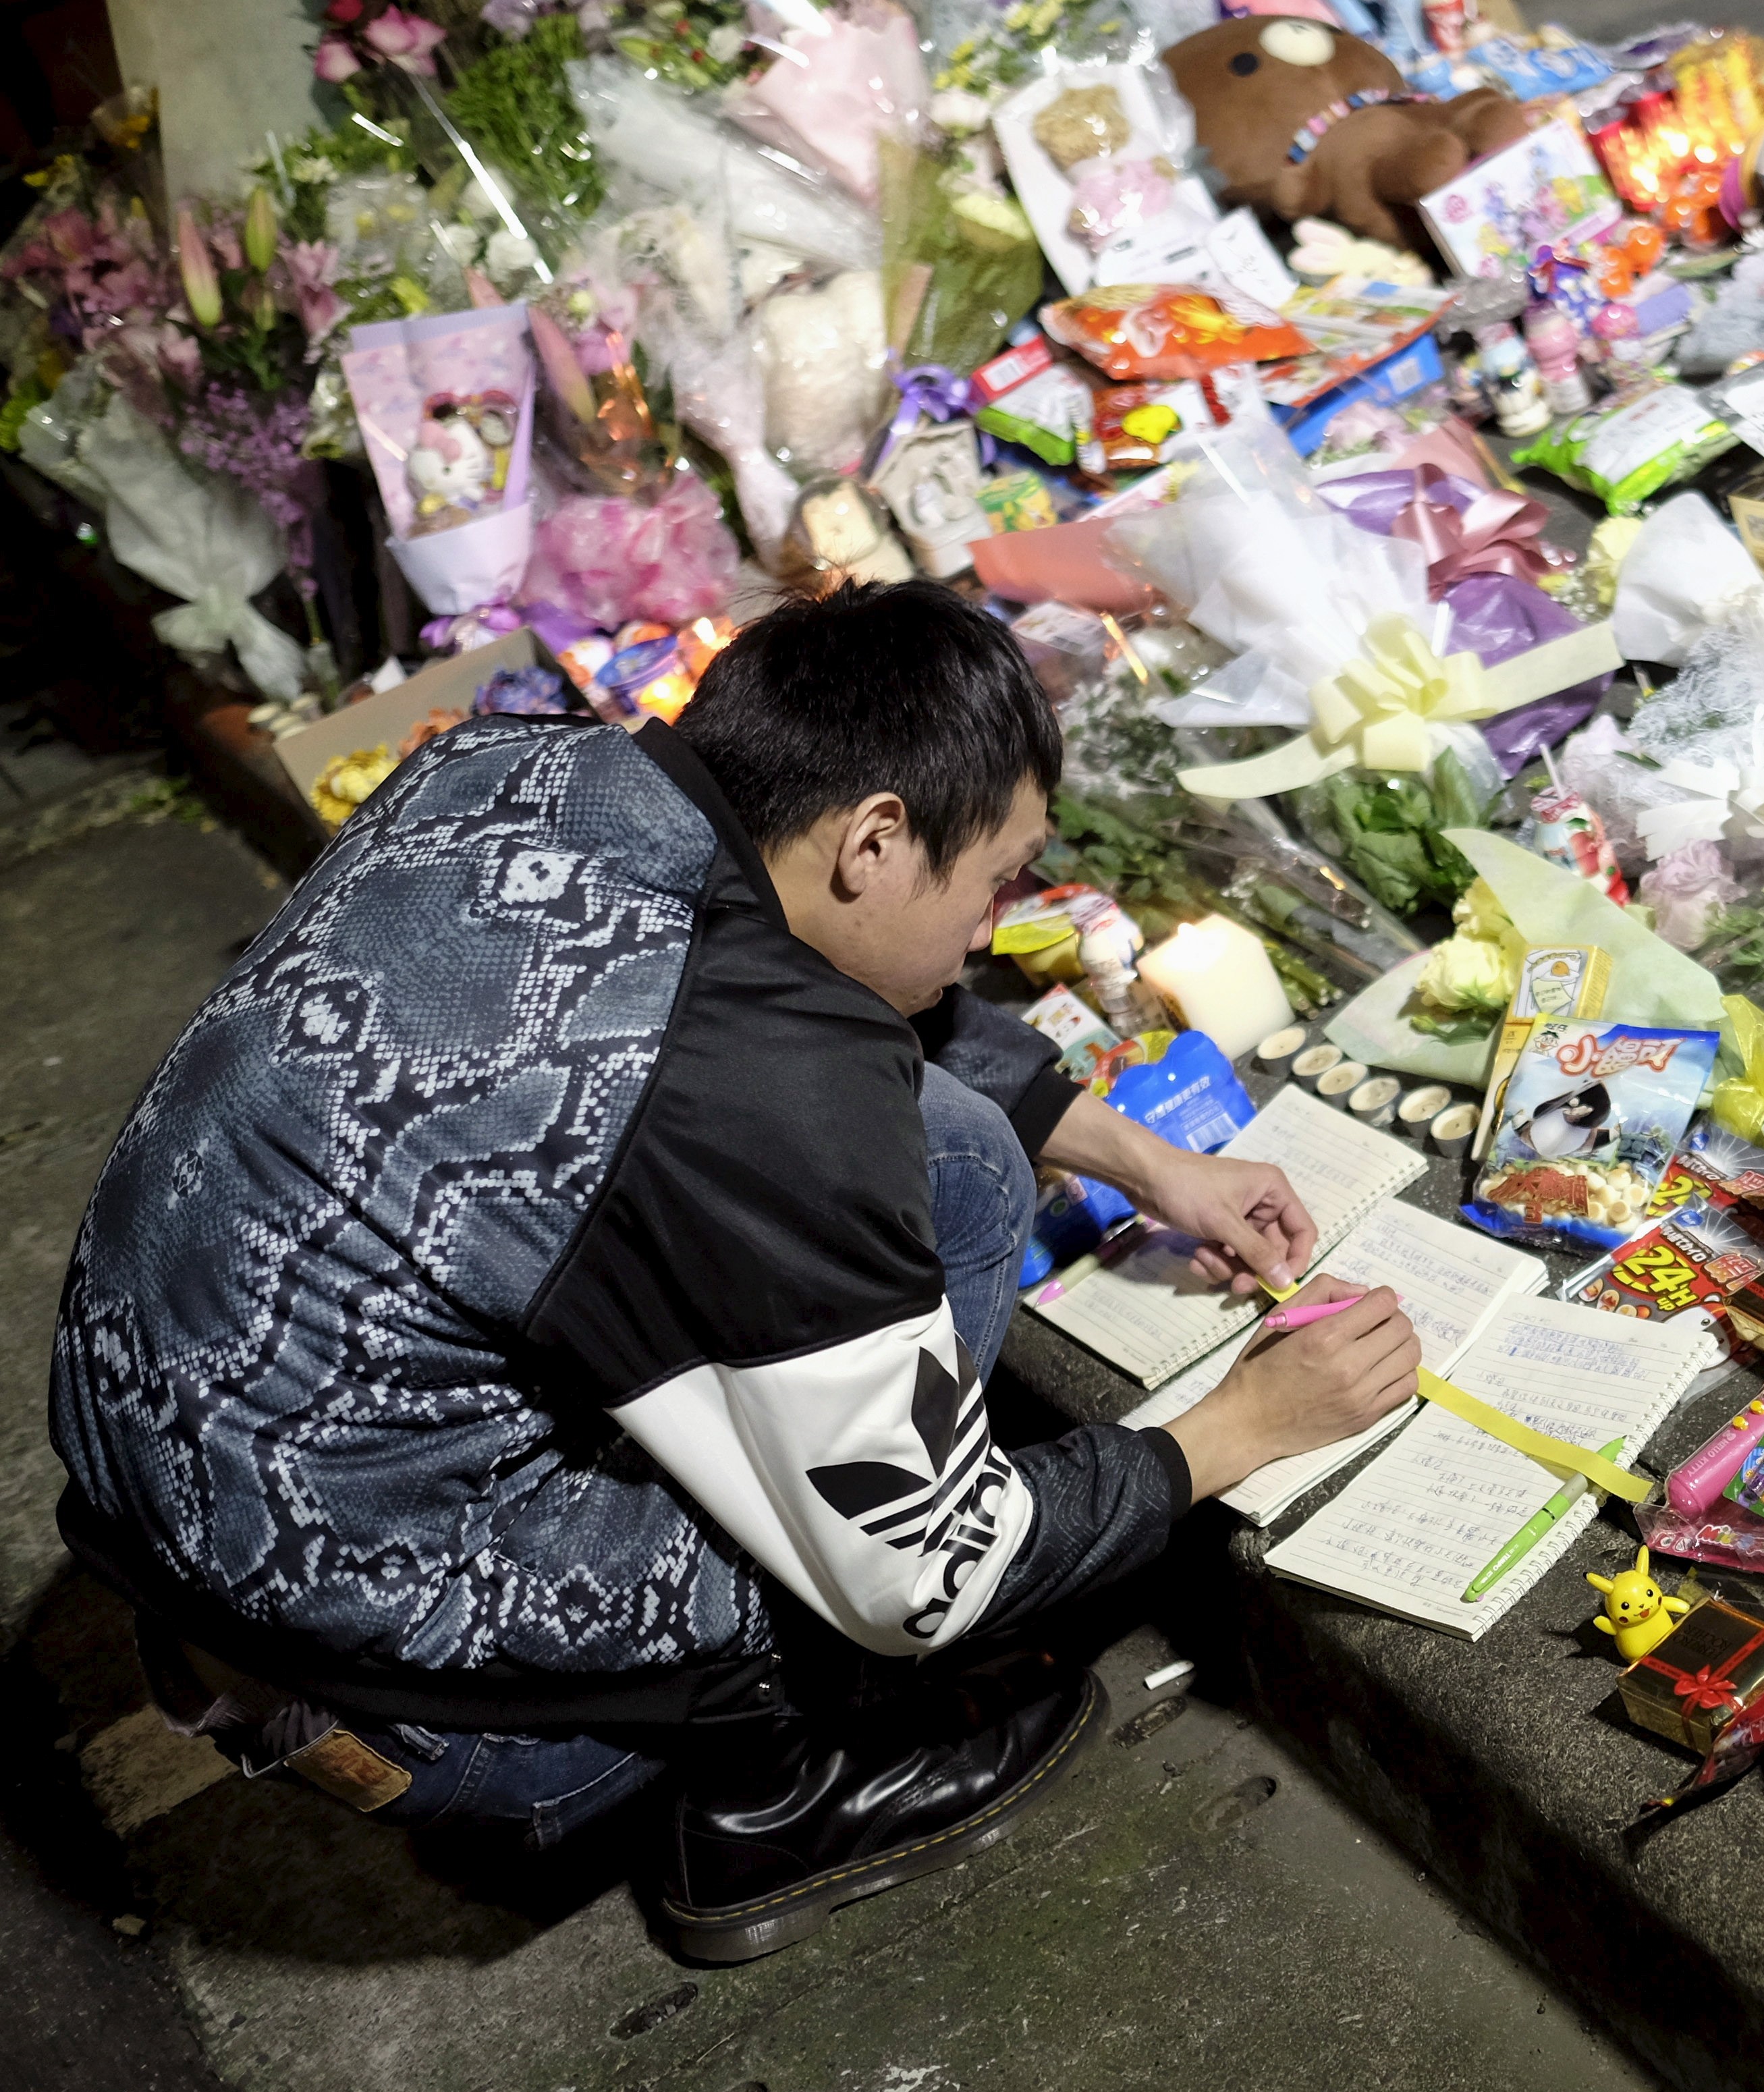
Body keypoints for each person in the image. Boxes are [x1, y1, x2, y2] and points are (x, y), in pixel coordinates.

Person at [48, 581, 1422, 1961]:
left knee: (964, 1162)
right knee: (880, 1561)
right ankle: (774, 1793)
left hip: (184, 1492)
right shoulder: (758, 1093)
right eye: (996, 879)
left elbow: (817, 980)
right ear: (876, 838)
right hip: (375, 1677)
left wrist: (1141, 1157)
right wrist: (1242, 1427)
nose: (997, 930)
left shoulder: (517, 762)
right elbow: (926, 1569)